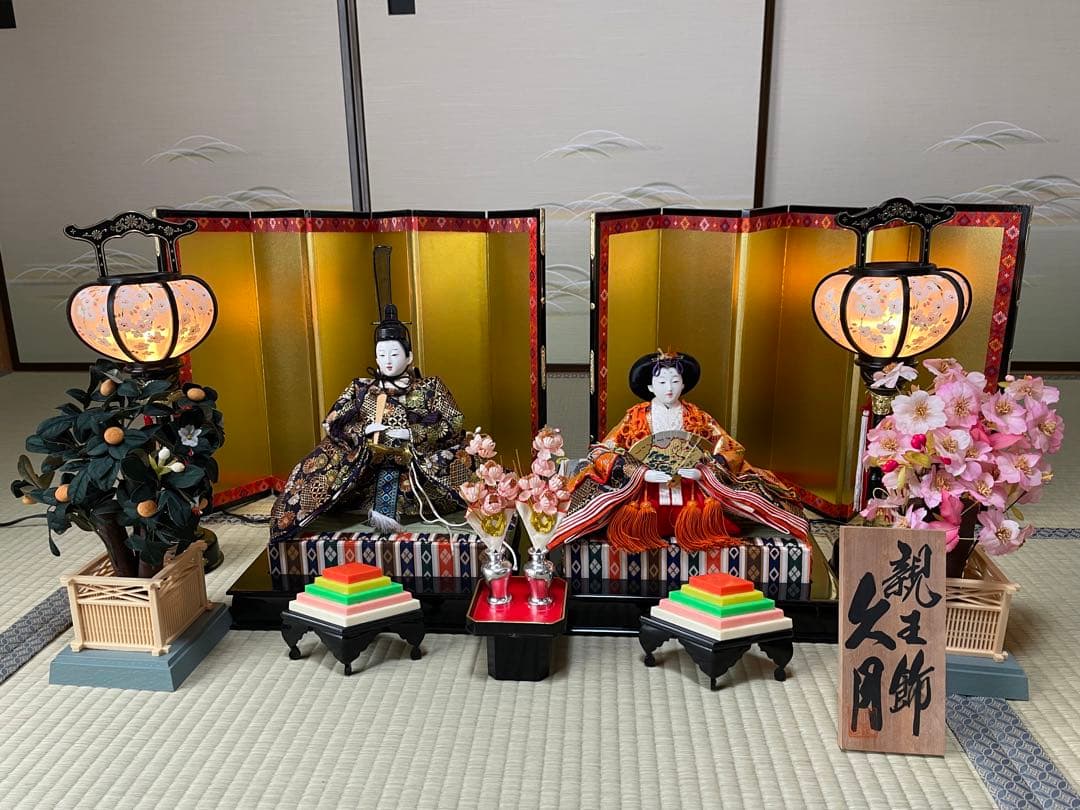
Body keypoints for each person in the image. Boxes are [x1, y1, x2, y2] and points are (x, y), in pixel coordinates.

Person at [270, 264, 470, 541]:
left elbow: (455, 422)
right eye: (382, 355)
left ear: (409, 357)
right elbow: (332, 422)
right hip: (366, 468)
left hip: (416, 466)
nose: (388, 361)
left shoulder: (429, 386)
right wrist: (361, 432)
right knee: (324, 461)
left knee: (466, 459)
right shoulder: (360, 388)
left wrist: (413, 434)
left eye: (394, 354)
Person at [549, 350, 809, 551]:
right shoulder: (636, 418)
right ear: (650, 387)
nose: (669, 388)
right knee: (621, 514)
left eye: (675, 381)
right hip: (646, 489)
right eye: (661, 382)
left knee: (715, 514)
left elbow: (732, 448)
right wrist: (639, 472)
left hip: (690, 487)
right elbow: (602, 451)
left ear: (684, 385)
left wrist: (704, 471)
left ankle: (697, 529)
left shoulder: (697, 417)